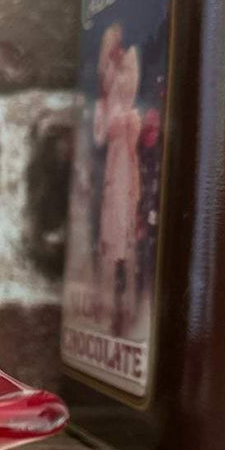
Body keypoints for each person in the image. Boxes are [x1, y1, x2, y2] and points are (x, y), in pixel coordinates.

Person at [94, 24, 142, 335]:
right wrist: (116, 125)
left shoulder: (131, 109)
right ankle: (112, 310)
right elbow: (99, 137)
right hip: (113, 176)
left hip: (128, 173)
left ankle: (128, 309)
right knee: (113, 240)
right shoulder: (102, 106)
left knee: (129, 236)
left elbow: (135, 137)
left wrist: (130, 125)